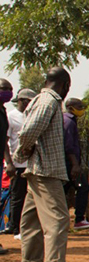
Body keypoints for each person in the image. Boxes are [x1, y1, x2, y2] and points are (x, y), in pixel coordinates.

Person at [12, 68, 72, 262]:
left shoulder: (41, 99)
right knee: (59, 219)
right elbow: (29, 131)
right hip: (47, 171)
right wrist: (24, 151)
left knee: (33, 220)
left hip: (37, 170)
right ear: (65, 85)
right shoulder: (49, 100)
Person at [3, 88, 34, 239]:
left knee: (31, 197)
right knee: (17, 196)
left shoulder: (31, 116)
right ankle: (14, 227)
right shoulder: (11, 117)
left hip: (32, 164)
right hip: (17, 163)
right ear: (22, 101)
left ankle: (25, 227)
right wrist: (9, 163)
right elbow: (5, 141)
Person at [62, 98, 89, 230]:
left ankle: (65, 222)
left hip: (69, 163)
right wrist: (75, 165)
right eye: (79, 106)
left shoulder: (69, 121)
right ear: (70, 107)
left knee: (64, 190)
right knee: (82, 187)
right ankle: (79, 219)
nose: (82, 109)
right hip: (69, 164)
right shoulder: (68, 122)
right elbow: (68, 146)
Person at [0, 79, 12, 254]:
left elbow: (4, 141)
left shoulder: (3, 111)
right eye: (5, 89)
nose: (9, 92)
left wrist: (8, 162)